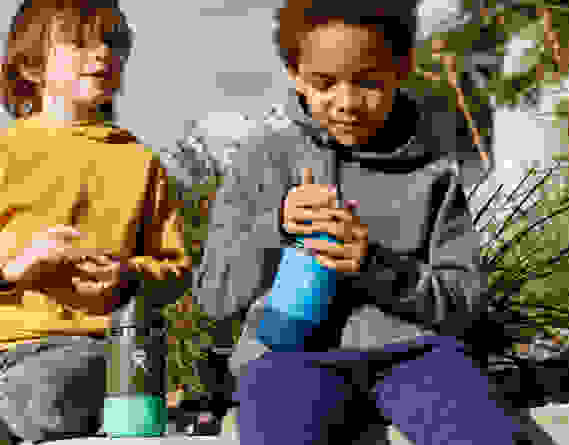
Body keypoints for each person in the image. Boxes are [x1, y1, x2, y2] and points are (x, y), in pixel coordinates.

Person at [191, 0, 543, 443]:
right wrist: (276, 226)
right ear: (294, 73)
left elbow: (464, 301)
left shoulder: (431, 167)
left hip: (414, 353)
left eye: (368, 82)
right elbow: (214, 296)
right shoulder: (261, 159)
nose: (346, 102)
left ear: (401, 67)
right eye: (324, 84)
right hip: (286, 359)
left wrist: (373, 265)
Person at [0, 1, 191, 443]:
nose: (102, 53)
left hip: (99, 353)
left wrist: (129, 277)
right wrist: (13, 268)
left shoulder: (139, 163)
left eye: (114, 43)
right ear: (31, 66)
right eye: (81, 43)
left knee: (48, 388)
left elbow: (174, 268)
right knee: (4, 407)